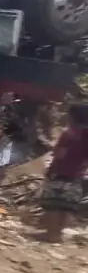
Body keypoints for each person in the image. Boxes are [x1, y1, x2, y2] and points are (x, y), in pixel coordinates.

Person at [36, 104, 88, 243]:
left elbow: (60, 155)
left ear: (73, 117)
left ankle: (51, 234)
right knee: (67, 205)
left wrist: (51, 170)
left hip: (61, 172)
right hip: (78, 176)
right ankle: (58, 234)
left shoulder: (69, 134)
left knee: (53, 204)